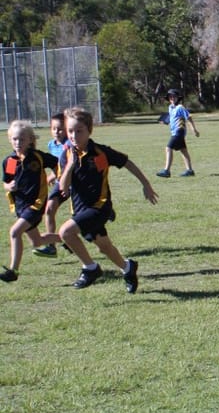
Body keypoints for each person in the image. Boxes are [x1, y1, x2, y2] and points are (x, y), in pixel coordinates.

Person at [57, 107, 159, 292]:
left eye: (79, 131)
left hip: (100, 207)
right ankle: (128, 268)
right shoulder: (66, 156)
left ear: (89, 131)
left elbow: (127, 162)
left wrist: (146, 184)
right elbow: (63, 188)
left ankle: (90, 268)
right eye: (70, 131)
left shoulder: (101, 152)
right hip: (80, 210)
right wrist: (70, 165)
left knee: (65, 232)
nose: (73, 135)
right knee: (105, 247)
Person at [1, 121, 62, 282]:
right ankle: (69, 238)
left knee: (15, 232)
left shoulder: (37, 157)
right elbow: (5, 183)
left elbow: (58, 164)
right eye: (14, 139)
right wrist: (9, 186)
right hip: (20, 207)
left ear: (30, 140)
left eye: (22, 139)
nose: (18, 143)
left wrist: (59, 178)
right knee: (37, 241)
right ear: (10, 140)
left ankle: (13, 271)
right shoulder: (11, 161)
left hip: (36, 205)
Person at [34, 114, 70, 257]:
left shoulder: (71, 144)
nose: (56, 131)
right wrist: (54, 176)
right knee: (49, 209)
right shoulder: (51, 144)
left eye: (60, 129)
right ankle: (51, 247)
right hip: (60, 184)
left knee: (82, 215)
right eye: (54, 128)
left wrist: (54, 175)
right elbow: (57, 165)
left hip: (76, 185)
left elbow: (68, 166)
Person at [156, 88, 200, 178]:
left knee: (168, 148)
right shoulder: (170, 108)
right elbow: (171, 119)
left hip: (179, 131)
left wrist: (194, 130)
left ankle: (166, 171)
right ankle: (190, 170)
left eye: (174, 96)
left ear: (178, 98)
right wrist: (164, 122)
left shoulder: (180, 107)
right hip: (174, 132)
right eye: (170, 96)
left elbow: (189, 117)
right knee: (183, 151)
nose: (172, 98)